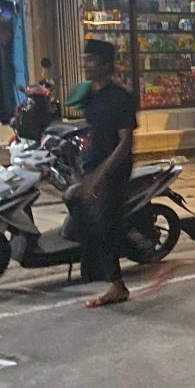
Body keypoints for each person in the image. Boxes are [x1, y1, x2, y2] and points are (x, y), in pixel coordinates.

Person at [65, 39, 138, 308]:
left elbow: (125, 142)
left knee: (104, 225)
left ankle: (117, 286)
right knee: (74, 202)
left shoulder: (121, 98)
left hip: (114, 169)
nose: (86, 64)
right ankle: (99, 266)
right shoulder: (90, 95)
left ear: (107, 64)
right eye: (84, 59)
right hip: (93, 164)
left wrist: (100, 176)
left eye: (91, 60)